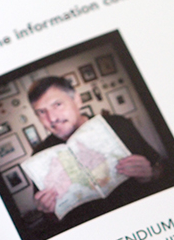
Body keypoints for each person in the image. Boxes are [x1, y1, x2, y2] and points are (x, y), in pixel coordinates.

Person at [27, 76, 162, 228]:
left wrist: (150, 174)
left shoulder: (118, 125)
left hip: (141, 217)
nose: (52, 118)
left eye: (57, 104)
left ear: (77, 100)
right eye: (41, 112)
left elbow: (160, 169)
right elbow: (52, 220)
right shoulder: (39, 156)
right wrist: (47, 210)